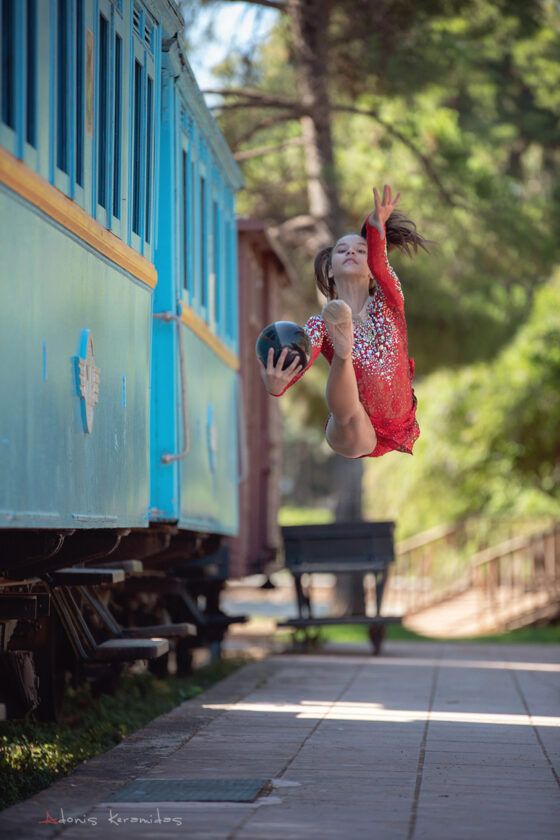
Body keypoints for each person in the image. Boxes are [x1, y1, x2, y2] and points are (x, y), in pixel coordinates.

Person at [258, 185, 429, 459]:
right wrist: (276, 385)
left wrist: (374, 227)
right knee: (349, 416)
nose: (351, 253)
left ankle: (344, 348)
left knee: (352, 413)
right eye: (341, 250)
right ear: (331, 270)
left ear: (372, 272)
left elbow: (381, 262)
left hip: (397, 422)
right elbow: (300, 358)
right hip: (353, 428)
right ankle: (343, 351)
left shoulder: (390, 302)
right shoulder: (320, 324)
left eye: (360, 250)